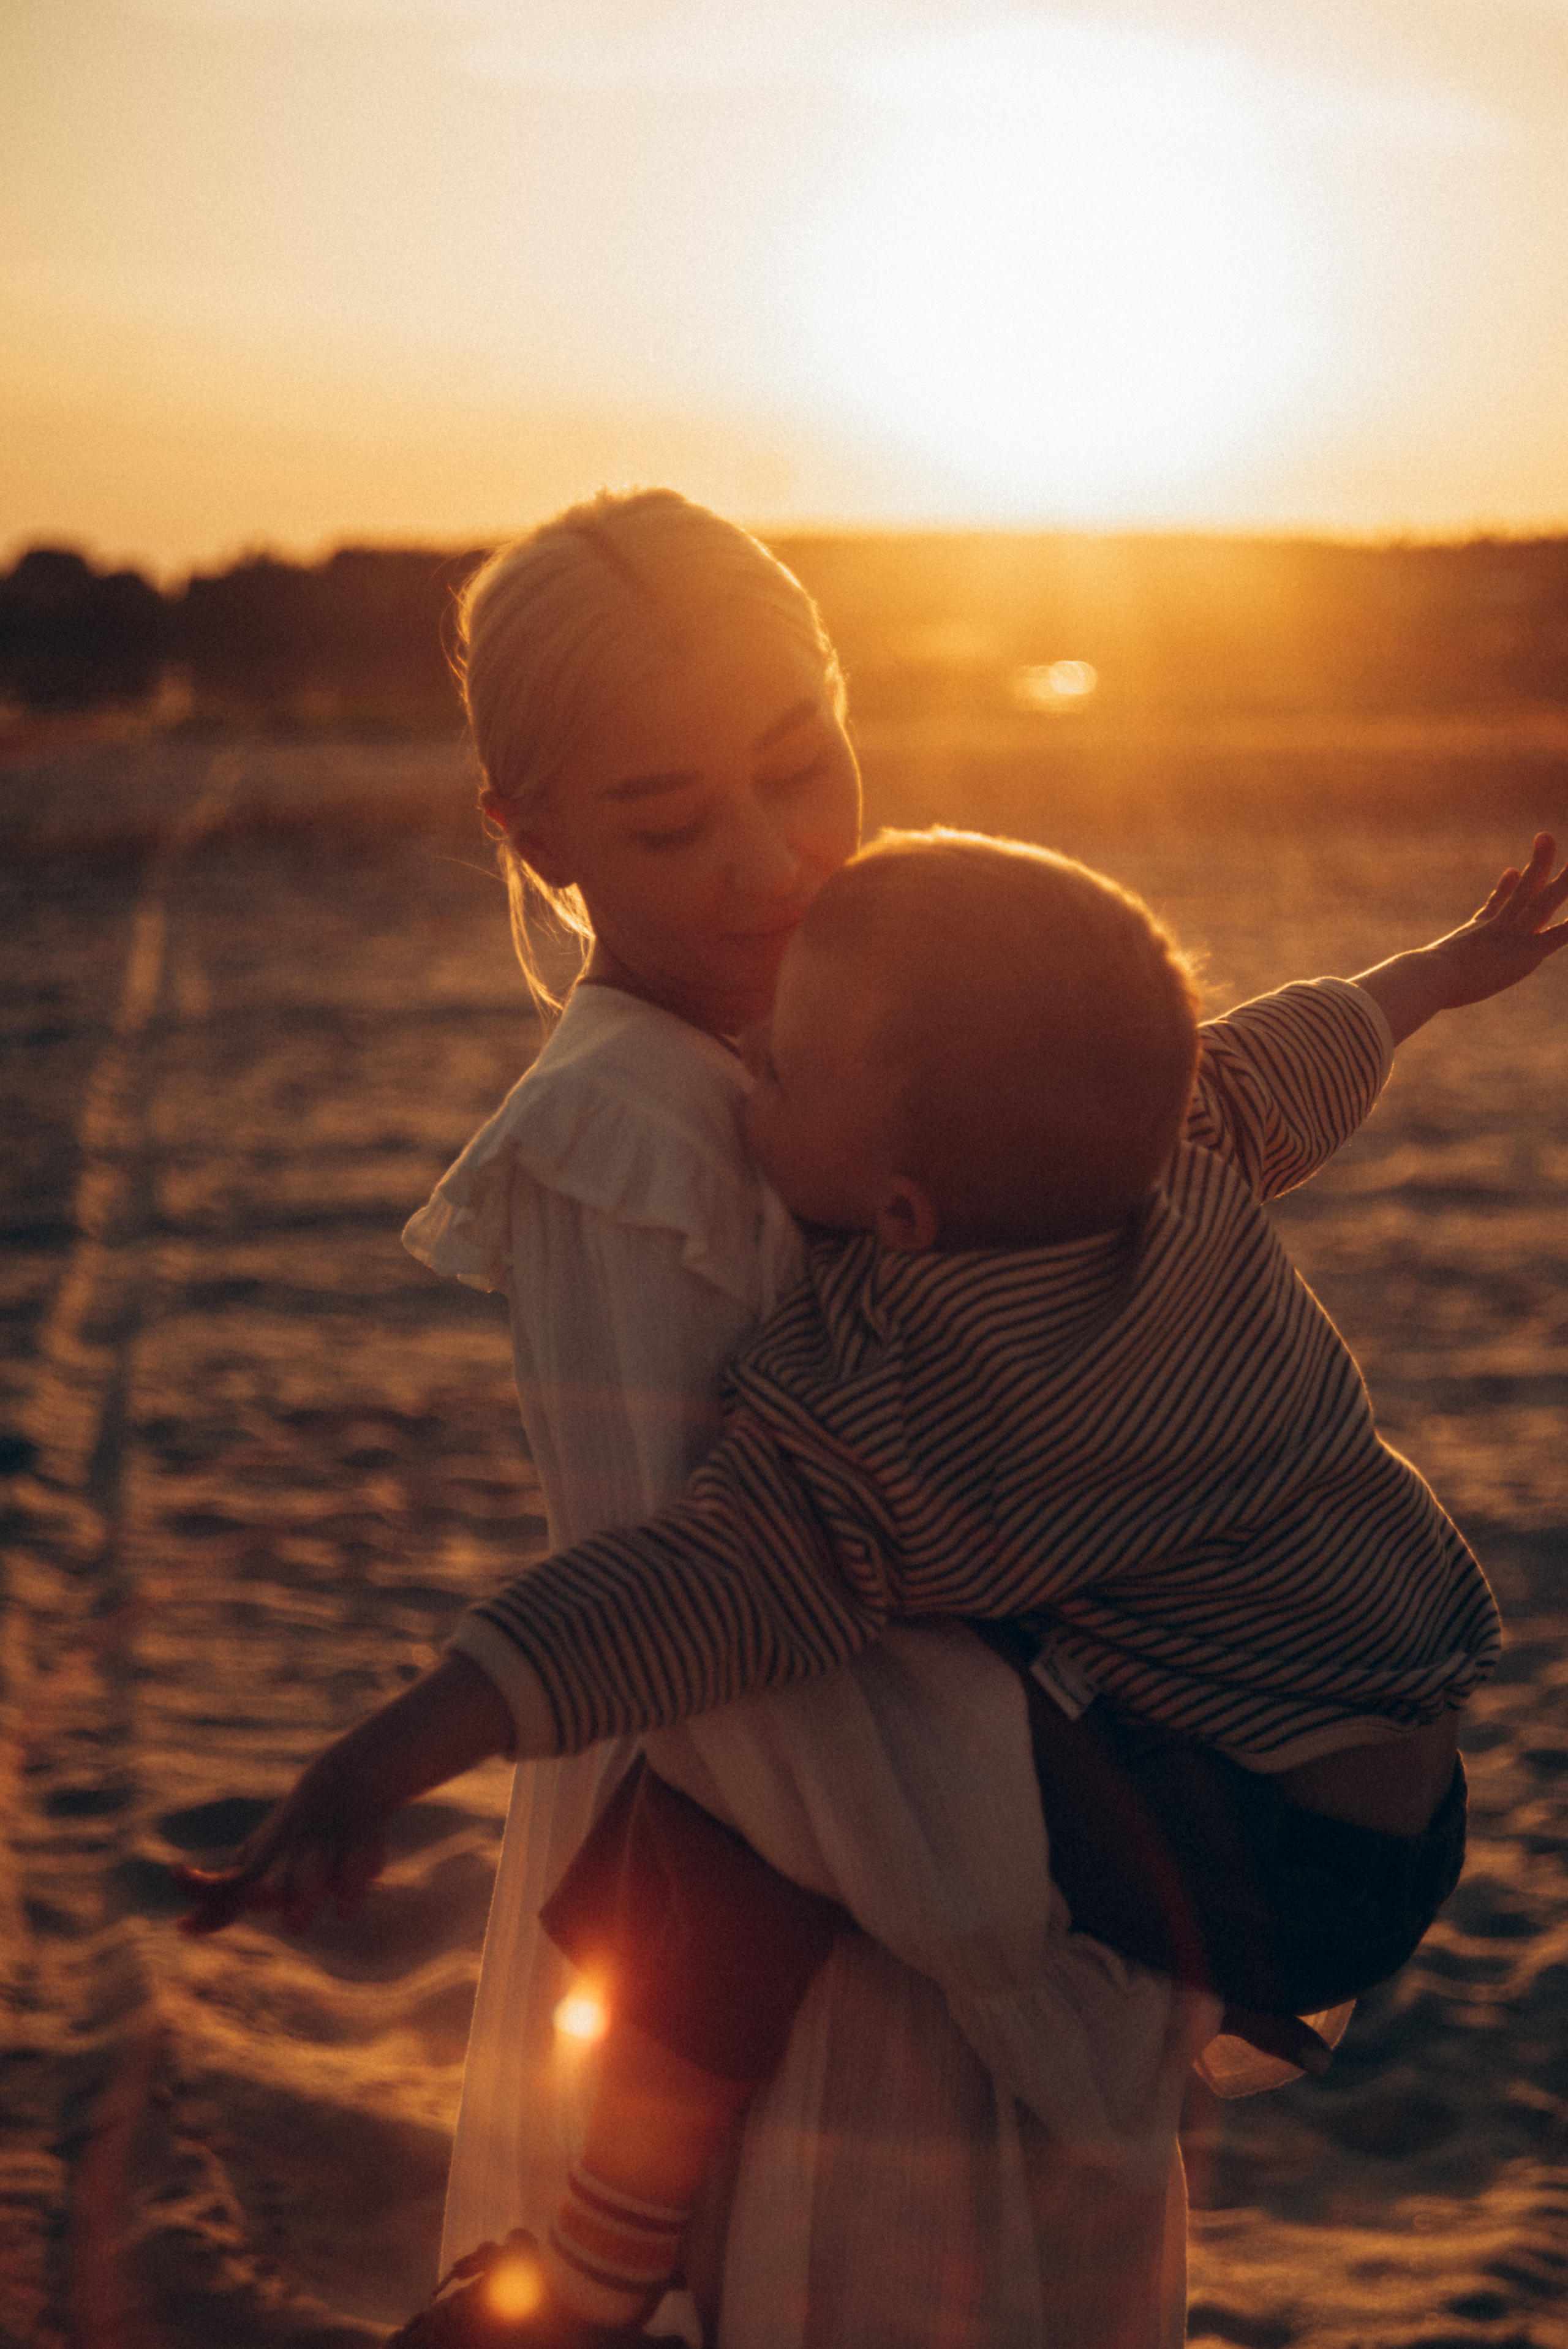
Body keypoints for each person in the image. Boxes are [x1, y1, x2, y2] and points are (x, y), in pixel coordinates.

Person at [184, 804, 1566, 2337]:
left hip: (1253, 1853)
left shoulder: (892, 1400)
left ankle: (591, 2270)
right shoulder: (1183, 1149)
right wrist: (1445, 966)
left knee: (727, 1793)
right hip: (1413, 1803)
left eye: (770, 1073)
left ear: (900, 1219)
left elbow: (669, 1600)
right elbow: (1306, 1041)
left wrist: (390, 1752)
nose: (744, 1079)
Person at [180, 492, 1212, 2349]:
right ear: (531, 832)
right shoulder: (627, 1139)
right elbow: (725, 1642)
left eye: (801, 765)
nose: (770, 861)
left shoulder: (855, 1025)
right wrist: (1029, 1945)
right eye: (668, 821)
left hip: (943, 1844)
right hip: (816, 1919)